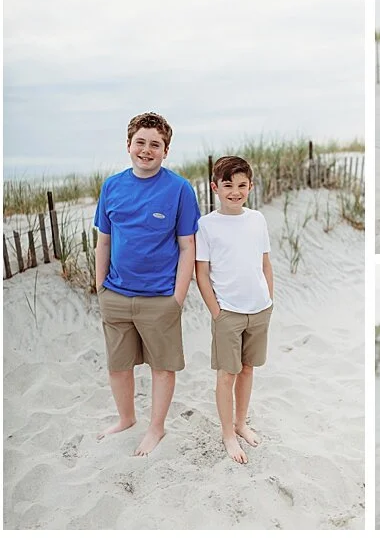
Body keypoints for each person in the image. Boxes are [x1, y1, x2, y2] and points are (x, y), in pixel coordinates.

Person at [94, 111, 201, 456]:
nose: (146, 150)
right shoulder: (111, 186)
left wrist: (178, 298)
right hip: (116, 294)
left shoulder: (180, 189)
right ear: (129, 145)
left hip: (160, 298)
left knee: (162, 367)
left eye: (155, 144)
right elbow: (104, 242)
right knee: (118, 366)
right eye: (140, 142)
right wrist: (100, 288)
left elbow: (188, 247)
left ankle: (156, 428)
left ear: (165, 151)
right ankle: (126, 419)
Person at [195, 155, 274, 464]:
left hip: (260, 309)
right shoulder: (206, 225)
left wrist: (269, 298)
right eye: (228, 186)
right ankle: (228, 434)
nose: (235, 192)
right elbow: (201, 273)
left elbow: (266, 263)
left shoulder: (257, 219)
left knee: (248, 368)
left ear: (250, 186)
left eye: (242, 186)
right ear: (215, 187)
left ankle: (241, 423)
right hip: (227, 312)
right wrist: (217, 312)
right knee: (228, 373)